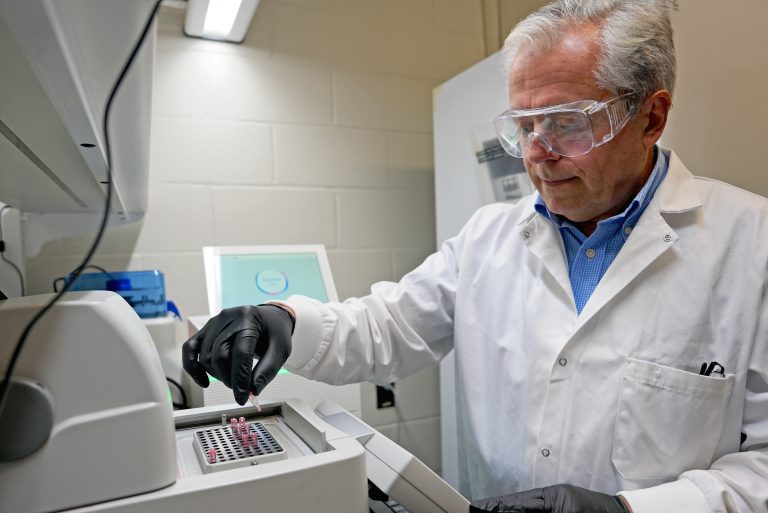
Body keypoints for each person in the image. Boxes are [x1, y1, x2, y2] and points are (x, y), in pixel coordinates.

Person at [183, 1, 768, 511]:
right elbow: (386, 327)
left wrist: (629, 511)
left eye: (566, 123)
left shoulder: (752, 244)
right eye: (524, 125)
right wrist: (283, 321)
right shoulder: (489, 237)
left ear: (652, 117)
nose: (537, 153)